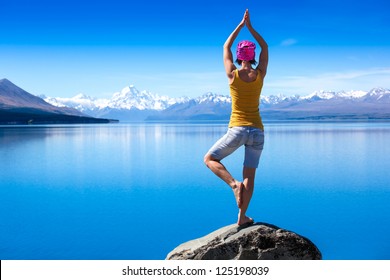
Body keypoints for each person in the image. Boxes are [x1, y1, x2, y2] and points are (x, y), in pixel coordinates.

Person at [204, 9, 268, 226]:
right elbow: (266, 46)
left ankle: (233, 185)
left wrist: (241, 25)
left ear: (239, 57)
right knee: (249, 176)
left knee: (209, 159)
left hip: (238, 129)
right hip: (257, 132)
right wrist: (251, 28)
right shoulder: (260, 74)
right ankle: (242, 218)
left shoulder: (232, 74)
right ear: (254, 56)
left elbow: (225, 47)